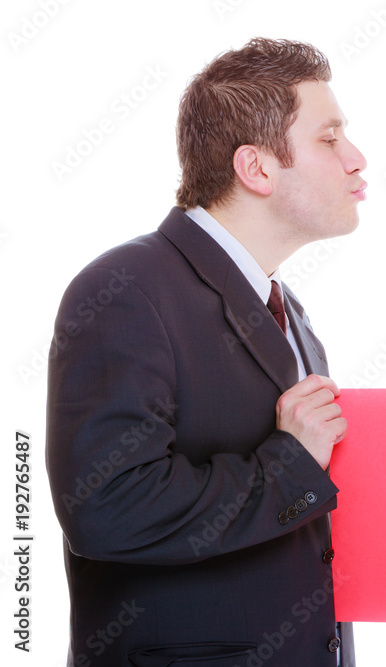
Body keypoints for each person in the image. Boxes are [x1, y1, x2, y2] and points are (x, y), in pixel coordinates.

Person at [45, 38, 366, 666]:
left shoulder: (291, 313)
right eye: (329, 139)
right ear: (256, 168)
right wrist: (290, 464)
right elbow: (105, 510)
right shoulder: (125, 290)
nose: (356, 158)